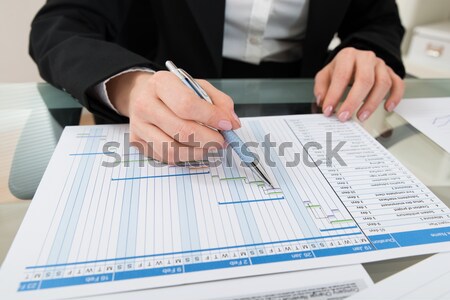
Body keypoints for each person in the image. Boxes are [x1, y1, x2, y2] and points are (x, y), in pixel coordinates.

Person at [30, 0, 405, 164]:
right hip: (164, 96)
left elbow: (378, 22)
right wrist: (132, 85)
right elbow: (61, 24)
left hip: (307, 102)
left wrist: (364, 50)